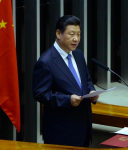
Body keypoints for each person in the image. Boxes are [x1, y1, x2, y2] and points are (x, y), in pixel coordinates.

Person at [32, 15, 99, 147]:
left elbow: (87, 80)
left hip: (83, 127)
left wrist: (92, 91)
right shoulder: (46, 62)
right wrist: (67, 100)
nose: (76, 39)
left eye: (79, 34)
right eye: (72, 34)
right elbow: (40, 94)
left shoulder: (78, 55)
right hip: (61, 132)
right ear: (58, 33)